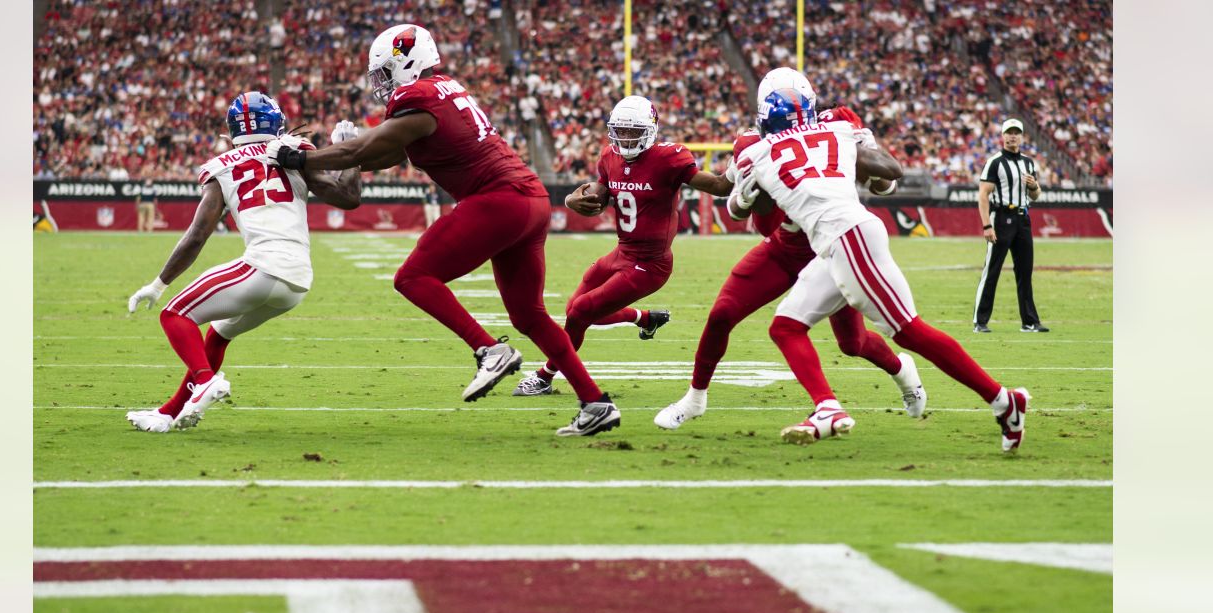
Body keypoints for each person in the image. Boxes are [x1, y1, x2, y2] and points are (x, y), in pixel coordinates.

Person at [269, 24, 620, 436]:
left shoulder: (415, 96)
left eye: (385, 73)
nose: (382, 85)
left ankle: (489, 349)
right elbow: (389, 152)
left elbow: (365, 148)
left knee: (413, 277)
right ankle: (595, 403)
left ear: (406, 61)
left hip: (498, 199)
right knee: (530, 315)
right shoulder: (443, 90)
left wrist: (298, 158)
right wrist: (347, 157)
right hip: (530, 200)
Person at [730, 70, 1030, 452]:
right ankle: (827, 408)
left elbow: (741, 210)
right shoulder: (836, 130)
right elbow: (889, 174)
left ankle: (1004, 401)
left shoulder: (756, 153)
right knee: (786, 327)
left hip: (846, 236)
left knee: (908, 331)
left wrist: (745, 194)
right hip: (842, 236)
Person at [654, 71, 925, 429]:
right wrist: (733, 192)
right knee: (722, 314)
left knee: (852, 342)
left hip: (831, 247)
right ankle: (695, 398)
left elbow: (883, 183)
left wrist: (874, 168)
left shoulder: (838, 124)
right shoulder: (751, 144)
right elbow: (745, 204)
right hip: (787, 245)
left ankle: (902, 371)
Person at [123, 92, 363, 432]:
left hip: (263, 266)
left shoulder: (222, 166)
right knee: (217, 335)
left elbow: (196, 236)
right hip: (297, 279)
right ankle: (169, 413)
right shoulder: (294, 151)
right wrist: (350, 154)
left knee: (174, 315)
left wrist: (158, 283)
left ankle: (206, 381)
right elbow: (348, 197)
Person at [511, 95, 732, 397]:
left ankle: (545, 376)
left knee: (579, 313)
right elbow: (598, 197)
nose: (626, 138)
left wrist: (742, 169)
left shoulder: (669, 158)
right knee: (575, 309)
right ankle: (645, 318)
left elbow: (719, 186)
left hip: (650, 264)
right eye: (621, 131)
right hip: (622, 252)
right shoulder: (609, 156)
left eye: (633, 131)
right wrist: (572, 200)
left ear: (651, 129)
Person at [973, 118, 1048, 332]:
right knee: (992, 269)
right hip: (1002, 217)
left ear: (1022, 136)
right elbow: (983, 195)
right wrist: (987, 225)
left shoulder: (1028, 163)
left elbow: (1035, 195)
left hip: (1023, 218)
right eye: (1009, 132)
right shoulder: (995, 162)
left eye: (1016, 132)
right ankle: (980, 321)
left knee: (1025, 270)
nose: (1012, 136)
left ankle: (1029, 321)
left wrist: (1034, 186)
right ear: (1003, 136)